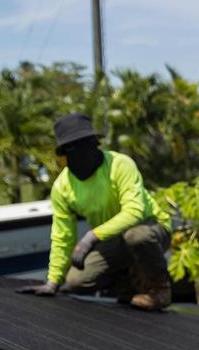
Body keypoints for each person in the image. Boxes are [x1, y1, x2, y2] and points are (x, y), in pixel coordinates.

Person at [16, 112, 174, 311]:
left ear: (96, 144)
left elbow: (135, 212)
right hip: (112, 239)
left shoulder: (120, 164)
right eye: (73, 148)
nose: (81, 152)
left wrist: (91, 236)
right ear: (65, 154)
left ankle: (160, 289)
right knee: (76, 281)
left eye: (86, 143)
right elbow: (62, 237)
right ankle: (126, 284)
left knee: (136, 236)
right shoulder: (63, 187)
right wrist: (53, 282)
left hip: (151, 229)